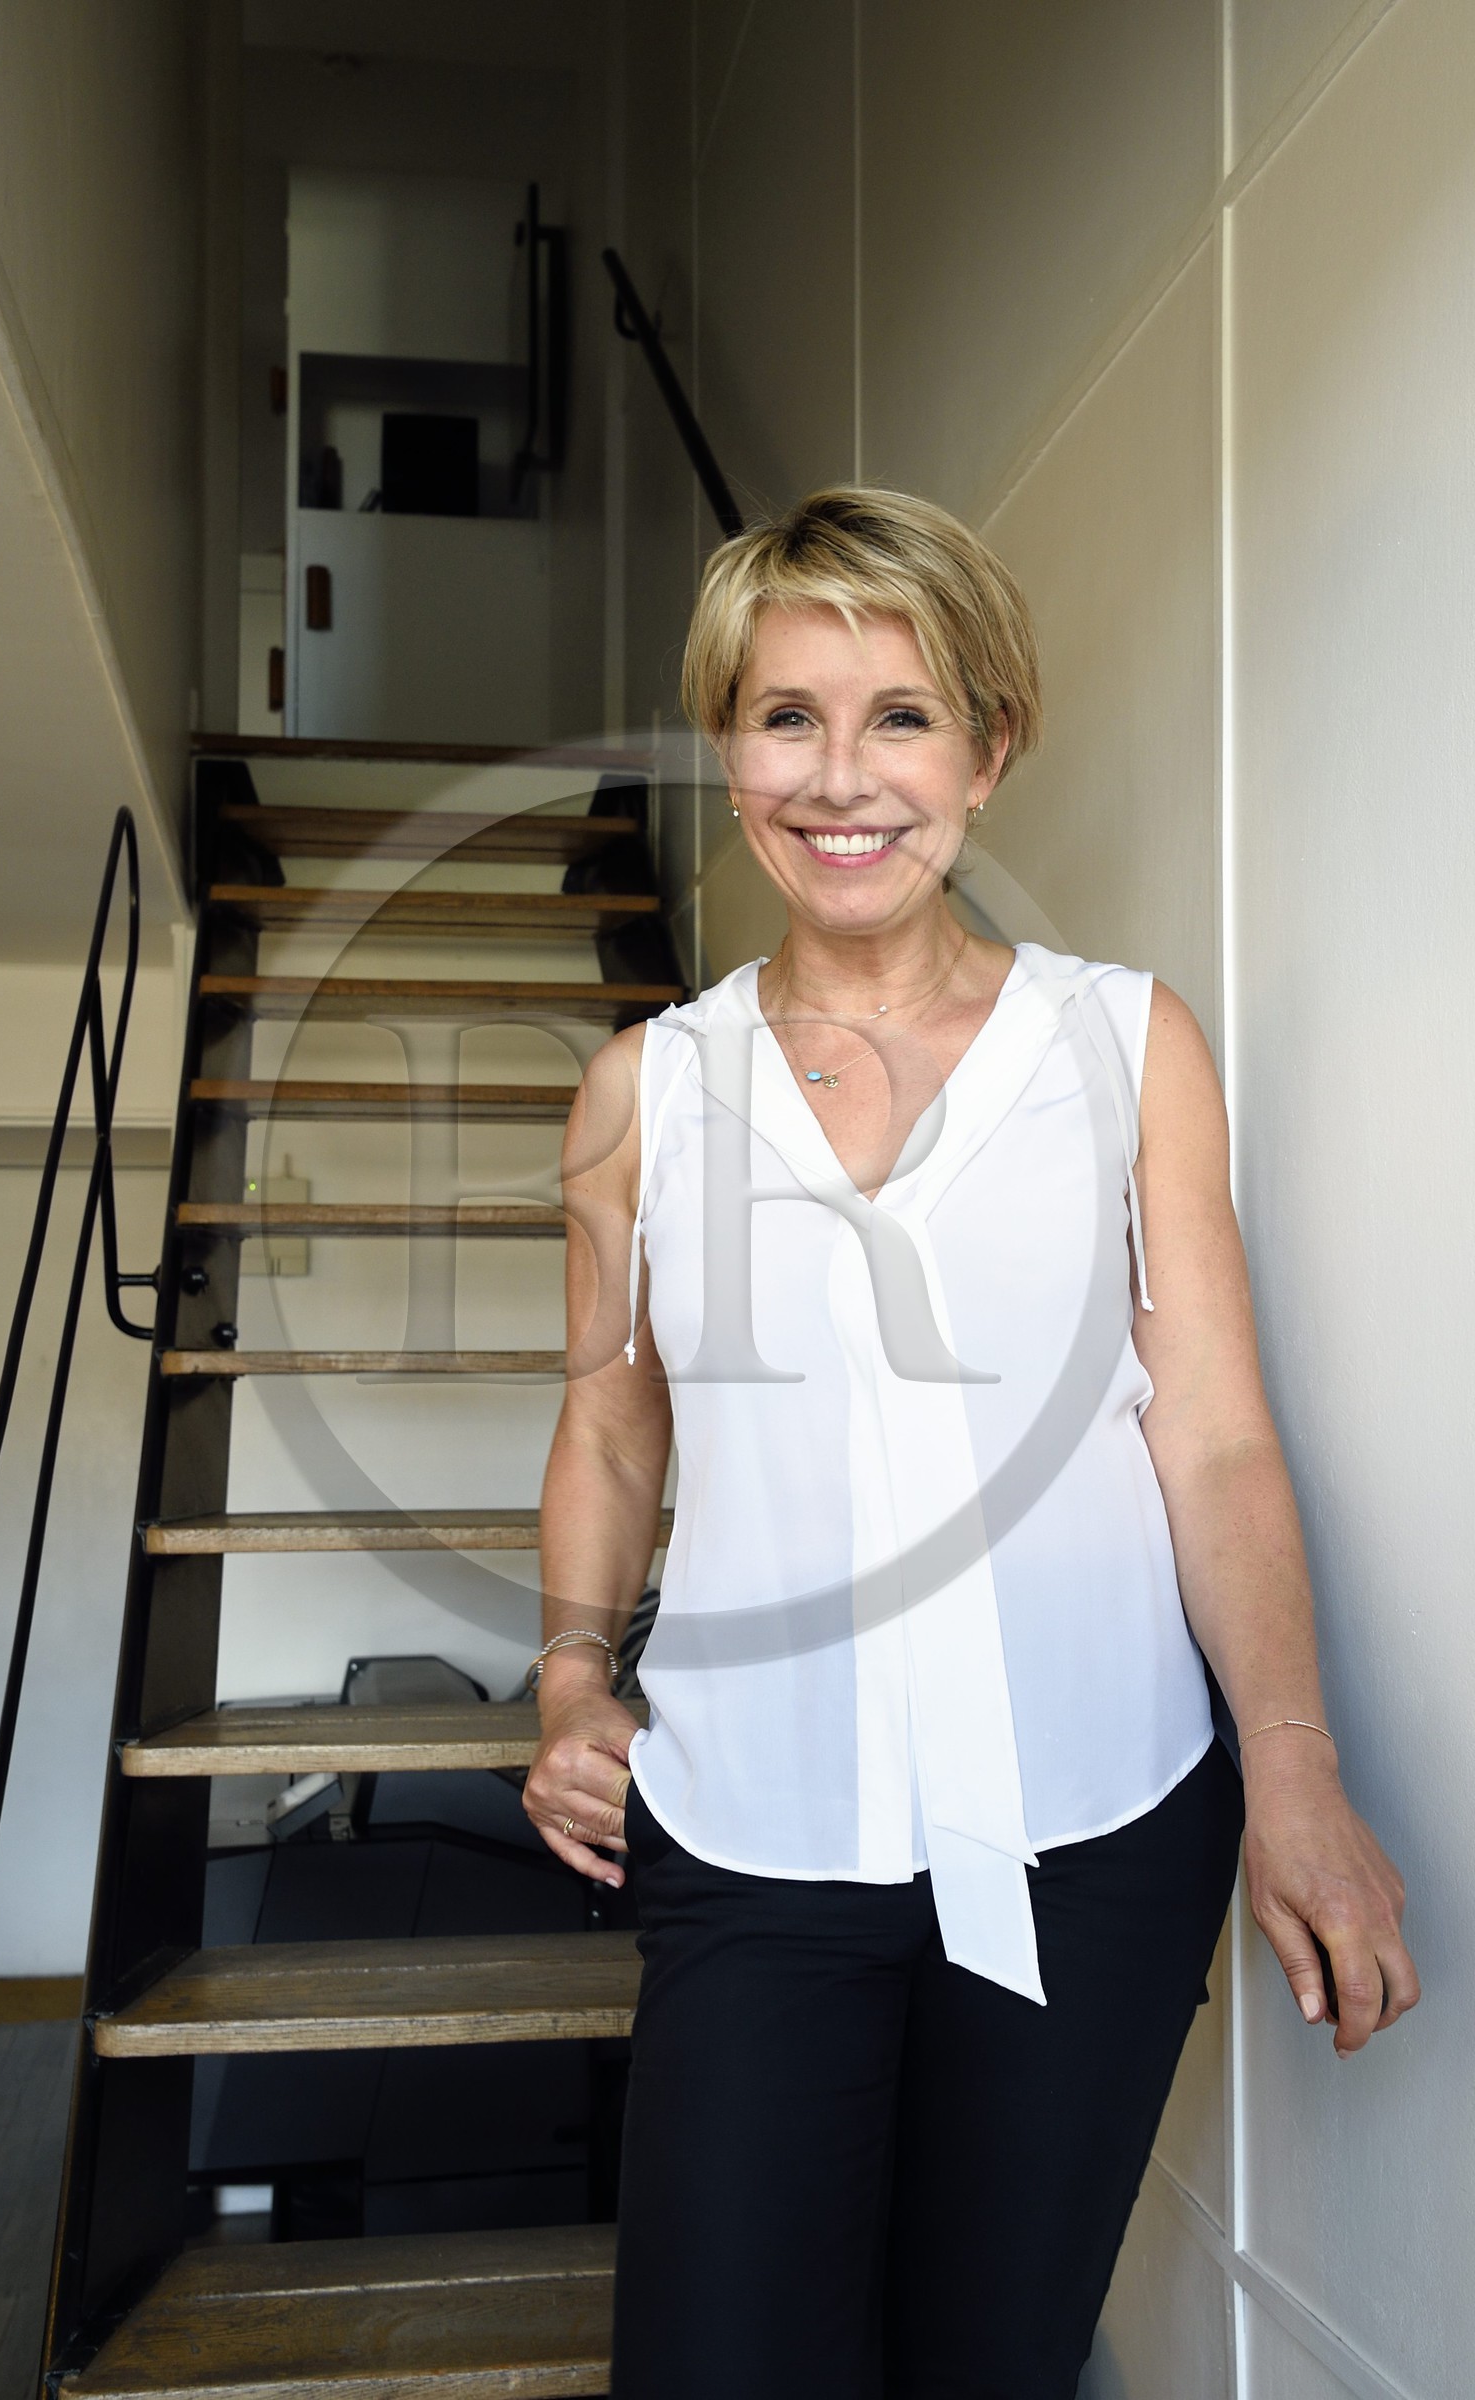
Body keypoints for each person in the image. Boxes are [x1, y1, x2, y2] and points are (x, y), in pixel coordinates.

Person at [521, 487, 1417, 2399]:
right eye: (788, 716)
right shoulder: (642, 1092)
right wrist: (571, 1675)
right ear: (729, 749)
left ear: (990, 752)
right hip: (753, 1835)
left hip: (1095, 1833)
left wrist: (1295, 1769)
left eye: (903, 717)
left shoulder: (1127, 1048)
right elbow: (608, 1424)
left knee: (991, 2361)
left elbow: (1217, 1444)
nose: (842, 777)